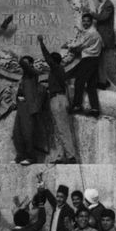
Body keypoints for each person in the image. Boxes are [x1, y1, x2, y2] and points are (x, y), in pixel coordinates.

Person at [37, 35, 77, 163]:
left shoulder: (56, 68)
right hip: (60, 99)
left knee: (63, 130)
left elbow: (47, 57)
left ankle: (71, 156)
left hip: (57, 99)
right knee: (59, 129)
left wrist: (42, 43)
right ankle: (61, 156)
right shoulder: (59, 71)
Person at [12, 54, 50, 165]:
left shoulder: (33, 74)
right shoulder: (24, 78)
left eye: (26, 64)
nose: (23, 66)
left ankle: (31, 157)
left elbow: (25, 66)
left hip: (29, 109)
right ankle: (20, 156)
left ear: (31, 65)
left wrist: (19, 59)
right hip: (21, 107)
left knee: (28, 133)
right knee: (17, 133)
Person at [62, 13, 102, 115]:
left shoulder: (91, 33)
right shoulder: (92, 32)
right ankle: (95, 109)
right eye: (83, 21)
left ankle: (77, 105)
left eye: (87, 21)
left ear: (91, 22)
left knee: (79, 82)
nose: (85, 23)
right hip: (94, 59)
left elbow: (79, 45)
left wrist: (67, 45)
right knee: (91, 85)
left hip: (89, 59)